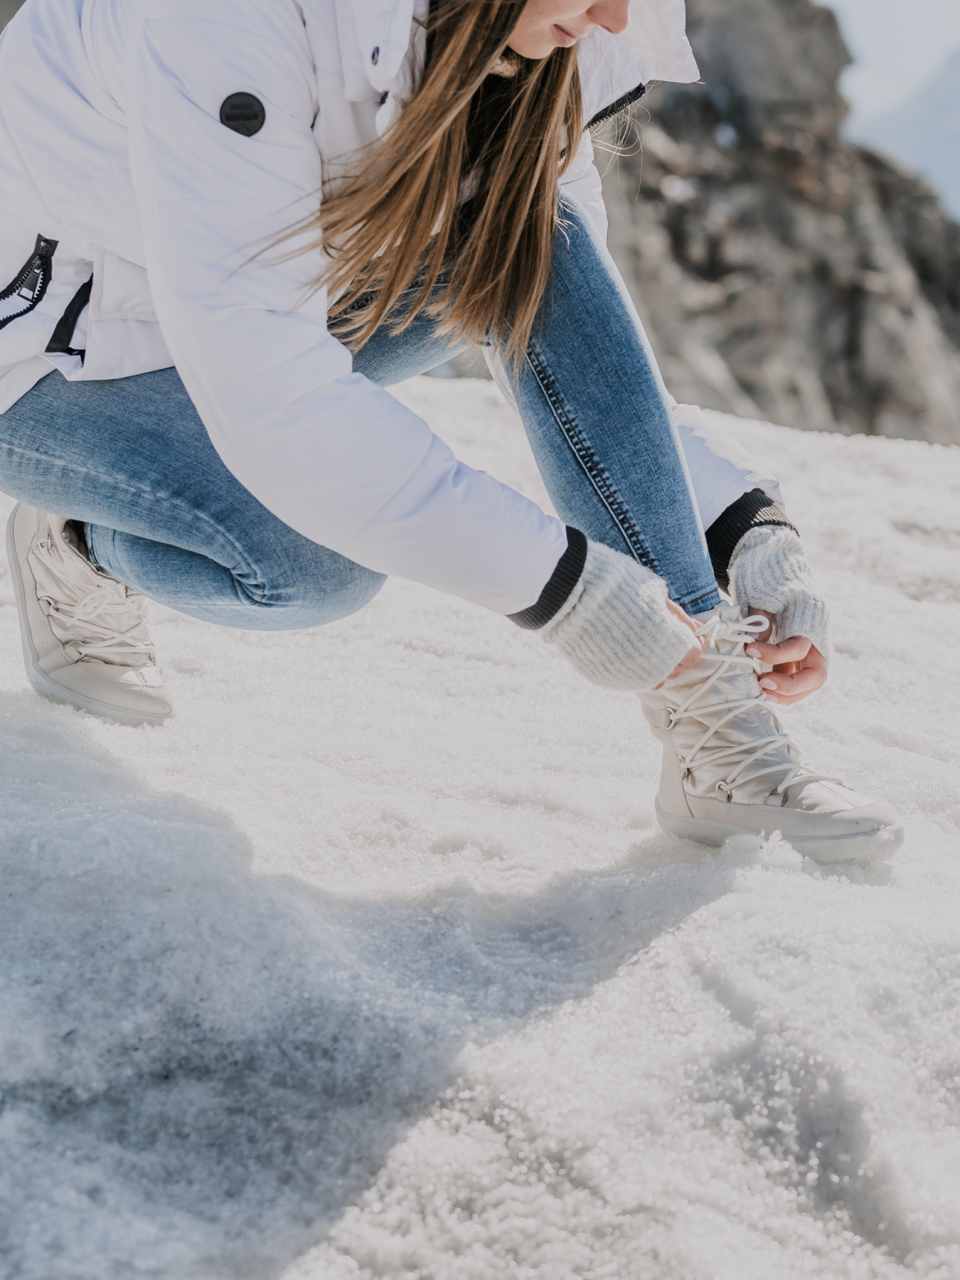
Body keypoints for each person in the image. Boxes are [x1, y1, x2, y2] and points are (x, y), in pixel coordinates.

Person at [0, 0, 901, 862]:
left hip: (215, 316)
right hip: (39, 356)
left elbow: (596, 360)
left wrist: (744, 526)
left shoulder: (515, 46)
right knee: (313, 566)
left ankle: (718, 735)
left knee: (532, 239)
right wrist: (565, 590)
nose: (621, 19)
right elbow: (270, 388)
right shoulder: (223, 17)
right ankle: (79, 533)